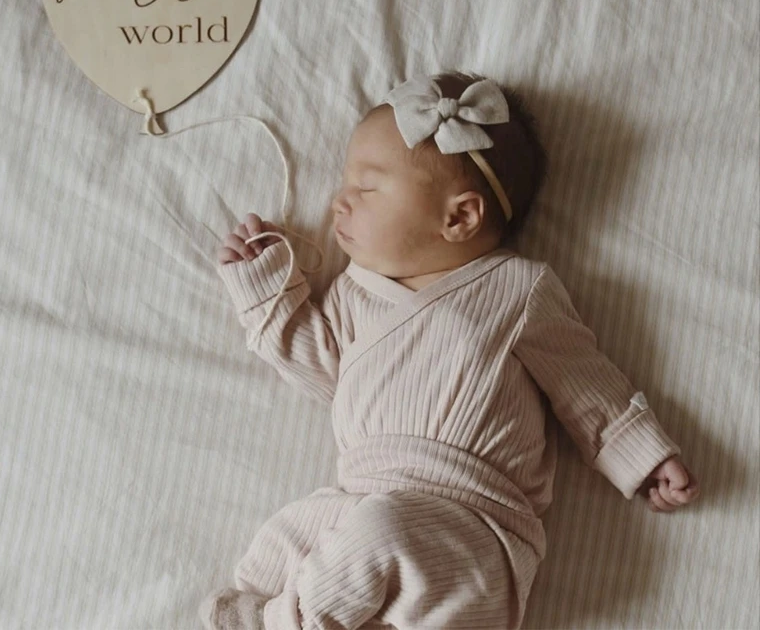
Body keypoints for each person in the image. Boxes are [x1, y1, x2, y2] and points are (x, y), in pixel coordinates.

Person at [200, 71, 700, 630]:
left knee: (380, 532)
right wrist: (264, 287)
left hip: (472, 534)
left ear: (460, 216)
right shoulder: (354, 292)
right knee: (287, 538)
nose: (338, 201)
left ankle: (280, 622)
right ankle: (273, 609)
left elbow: (583, 383)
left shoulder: (517, 290)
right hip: (362, 501)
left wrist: (643, 455)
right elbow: (320, 368)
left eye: (366, 187)